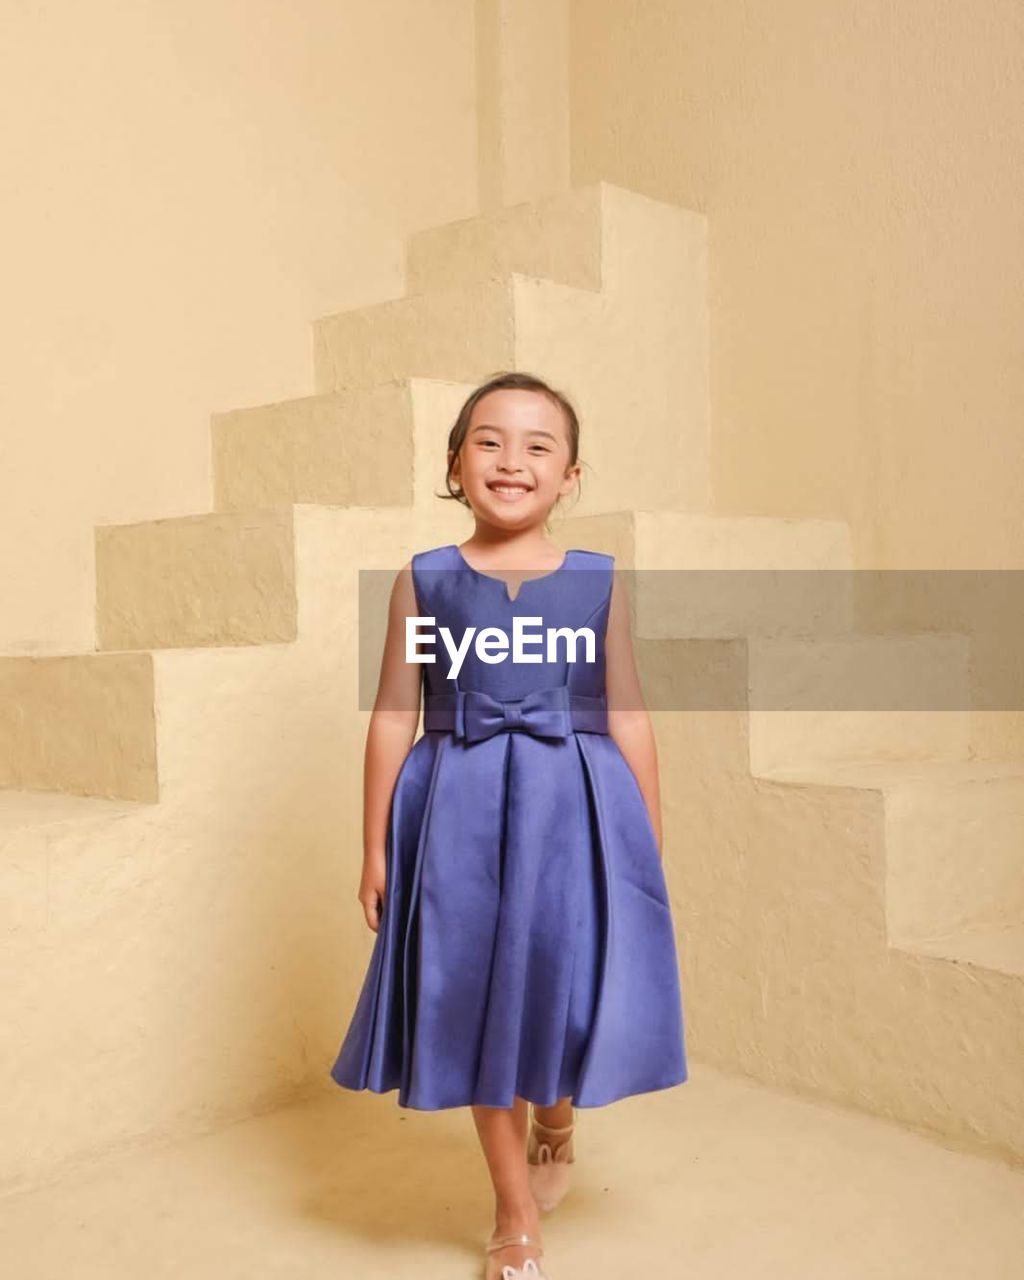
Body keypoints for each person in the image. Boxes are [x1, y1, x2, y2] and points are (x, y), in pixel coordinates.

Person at [329, 371, 688, 1280]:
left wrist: (641, 841)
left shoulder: (600, 583)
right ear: (454, 463)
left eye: (539, 446)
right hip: (455, 815)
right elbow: (389, 716)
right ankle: (514, 1214)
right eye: (488, 441)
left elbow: (630, 714)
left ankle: (557, 1119)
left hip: (574, 812)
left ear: (570, 475)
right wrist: (375, 844)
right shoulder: (424, 579)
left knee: (558, 996)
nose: (512, 461)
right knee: (474, 1001)